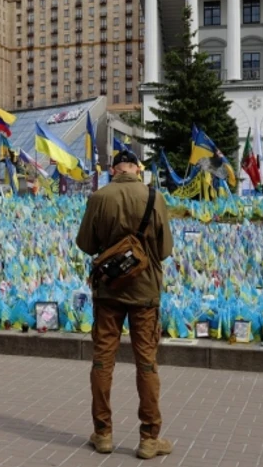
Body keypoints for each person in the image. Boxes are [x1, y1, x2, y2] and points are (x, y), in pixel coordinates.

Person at [75, 149, 173, 460]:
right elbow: (165, 249)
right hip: (144, 291)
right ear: (135, 168)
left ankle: (103, 433)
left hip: (108, 290)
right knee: (146, 362)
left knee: (103, 360)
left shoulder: (99, 197)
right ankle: (148, 438)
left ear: (114, 169)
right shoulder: (153, 197)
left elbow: (86, 245)